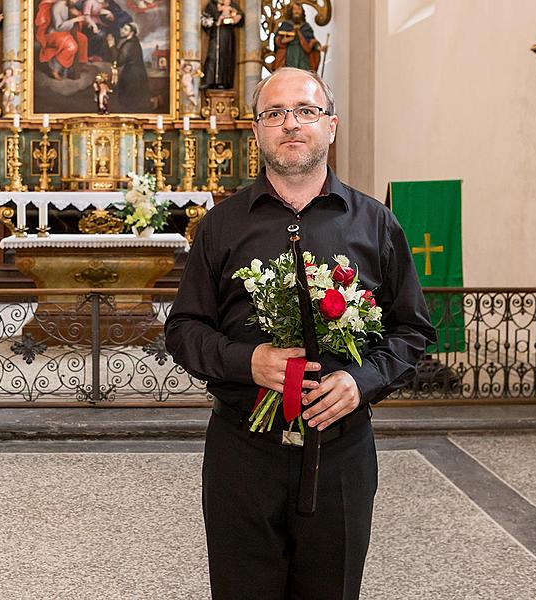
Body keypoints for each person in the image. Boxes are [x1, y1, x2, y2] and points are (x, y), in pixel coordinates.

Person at [164, 67, 435, 599]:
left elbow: (412, 330)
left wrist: (362, 380)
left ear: (331, 125)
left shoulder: (375, 223)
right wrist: (250, 362)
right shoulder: (221, 225)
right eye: (274, 114)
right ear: (257, 131)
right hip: (244, 451)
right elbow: (183, 330)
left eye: (306, 111)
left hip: (340, 453)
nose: (291, 124)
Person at [34, 0, 89, 80]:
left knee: (83, 39)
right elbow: (59, 27)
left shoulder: (69, 5)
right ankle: (55, 69)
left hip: (66, 32)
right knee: (71, 46)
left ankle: (76, 67)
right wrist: (75, 19)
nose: (76, 1)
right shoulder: (58, 7)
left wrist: (77, 15)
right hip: (53, 34)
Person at [200, 0, 243, 89]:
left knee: (226, 56)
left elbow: (239, 15)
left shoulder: (232, 4)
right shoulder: (211, 5)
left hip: (227, 35)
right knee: (212, 55)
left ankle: (225, 82)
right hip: (216, 32)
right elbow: (206, 20)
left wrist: (237, 17)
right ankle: (209, 81)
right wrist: (216, 22)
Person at [107, 22, 150, 112]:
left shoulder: (129, 45)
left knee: (130, 102)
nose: (122, 31)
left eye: (126, 29)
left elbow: (119, 61)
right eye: (123, 28)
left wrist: (111, 46)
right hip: (137, 73)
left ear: (132, 32)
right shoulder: (133, 42)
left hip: (132, 75)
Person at [272, 1, 323, 72]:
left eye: (299, 9)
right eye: (295, 9)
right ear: (291, 11)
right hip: (289, 54)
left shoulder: (306, 27)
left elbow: (312, 42)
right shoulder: (286, 25)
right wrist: (284, 40)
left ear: (302, 12)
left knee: (304, 73)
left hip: (303, 55)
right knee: (288, 73)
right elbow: (277, 40)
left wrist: (319, 47)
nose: (297, 11)